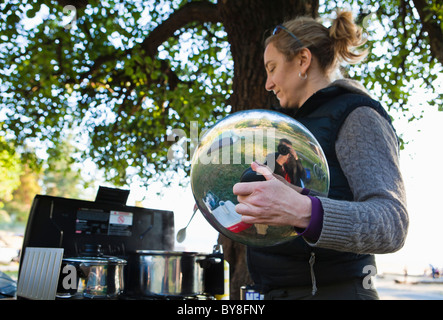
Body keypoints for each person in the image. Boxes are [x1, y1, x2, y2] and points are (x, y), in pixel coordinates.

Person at [232, 10, 409, 300]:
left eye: (272, 68)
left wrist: (305, 211)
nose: (267, 84)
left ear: (302, 60)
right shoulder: (287, 129)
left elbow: (392, 224)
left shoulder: (358, 116)